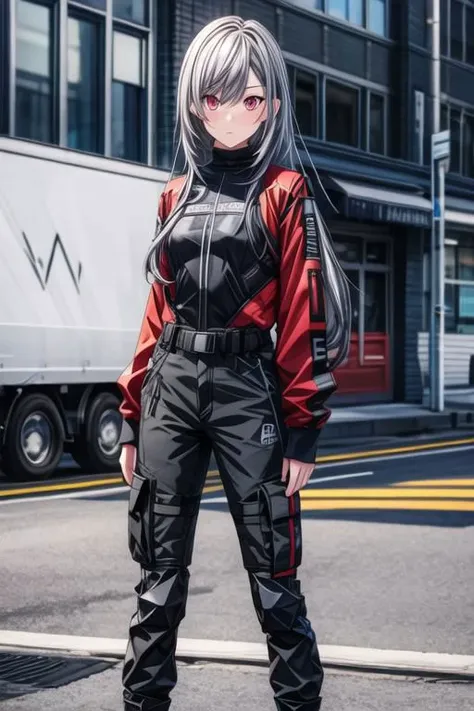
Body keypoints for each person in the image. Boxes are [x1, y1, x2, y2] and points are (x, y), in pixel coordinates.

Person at [117, 15, 351, 711]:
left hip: (248, 386)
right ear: (194, 100)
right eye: (215, 96)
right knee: (157, 573)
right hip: (171, 384)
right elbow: (156, 313)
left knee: (274, 571)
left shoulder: (284, 192)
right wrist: (131, 415)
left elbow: (302, 315)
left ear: (272, 104)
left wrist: (303, 425)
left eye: (249, 98)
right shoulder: (174, 194)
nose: (230, 112)